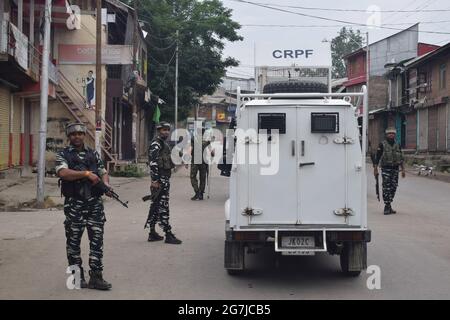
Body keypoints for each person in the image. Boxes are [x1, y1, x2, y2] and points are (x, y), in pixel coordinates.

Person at [56, 123, 112, 290]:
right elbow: (63, 173)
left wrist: (106, 185)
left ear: (84, 135)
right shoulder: (63, 154)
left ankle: (96, 277)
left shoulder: (92, 153)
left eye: (80, 133)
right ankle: (76, 277)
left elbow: (102, 171)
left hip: (95, 205)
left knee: (97, 241)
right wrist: (86, 174)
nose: (77, 136)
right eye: (73, 134)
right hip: (75, 205)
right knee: (73, 242)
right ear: (69, 136)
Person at [146, 122, 182, 244]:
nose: (166, 132)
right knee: (163, 207)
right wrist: (155, 180)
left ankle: (152, 233)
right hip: (160, 180)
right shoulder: (156, 144)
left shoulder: (164, 145)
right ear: (158, 131)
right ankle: (168, 234)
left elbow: (171, 157)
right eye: (164, 130)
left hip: (164, 179)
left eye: (167, 130)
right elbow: (153, 163)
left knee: (156, 206)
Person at [373, 127, 406, 215]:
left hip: (395, 169)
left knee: (393, 187)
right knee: (386, 187)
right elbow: (377, 156)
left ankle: (389, 204)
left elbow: (401, 157)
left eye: (393, 133)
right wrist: (375, 169)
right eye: (389, 133)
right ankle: (387, 206)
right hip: (386, 168)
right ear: (386, 134)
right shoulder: (382, 144)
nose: (391, 135)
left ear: (395, 135)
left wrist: (403, 169)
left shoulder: (397, 144)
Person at [189, 127, 214, 200]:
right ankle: (201, 194)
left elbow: (191, 149)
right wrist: (212, 153)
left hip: (195, 160)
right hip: (204, 161)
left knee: (193, 176)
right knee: (202, 177)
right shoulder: (206, 140)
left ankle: (197, 192)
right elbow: (211, 151)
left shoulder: (193, 138)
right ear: (204, 132)